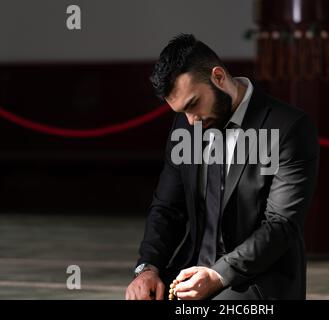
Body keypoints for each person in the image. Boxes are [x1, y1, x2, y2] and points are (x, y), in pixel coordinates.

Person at [125, 34, 319, 300]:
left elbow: (280, 225)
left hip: (258, 279)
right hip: (189, 269)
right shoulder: (187, 126)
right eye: (182, 112)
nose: (191, 122)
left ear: (218, 77)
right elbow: (167, 208)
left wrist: (217, 275)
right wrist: (147, 267)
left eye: (193, 104)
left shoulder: (288, 128)